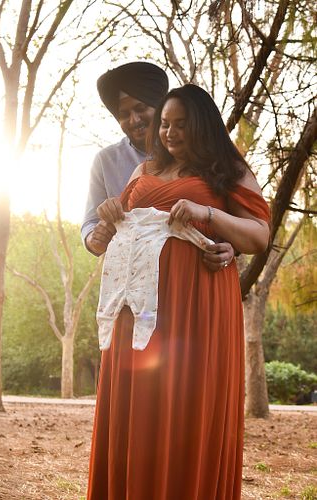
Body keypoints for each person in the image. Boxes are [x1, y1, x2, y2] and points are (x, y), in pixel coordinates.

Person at [87, 84, 270, 500]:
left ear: (202, 125)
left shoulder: (228, 170)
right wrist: (105, 222)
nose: (170, 133)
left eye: (181, 124)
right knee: (138, 410)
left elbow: (259, 235)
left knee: (187, 406)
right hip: (136, 312)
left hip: (196, 309)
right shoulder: (143, 171)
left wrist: (209, 214)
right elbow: (112, 232)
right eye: (165, 124)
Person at [82, 61, 235, 270]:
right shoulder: (106, 160)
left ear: (161, 108)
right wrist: (94, 240)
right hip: (133, 276)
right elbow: (91, 223)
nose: (134, 120)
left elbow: (239, 219)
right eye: (124, 115)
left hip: (195, 272)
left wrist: (231, 247)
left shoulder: (198, 152)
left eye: (141, 108)